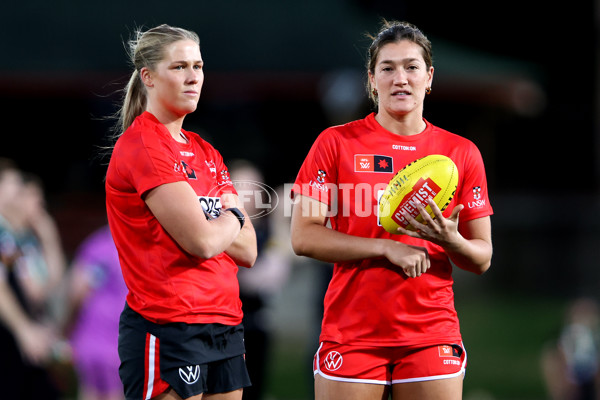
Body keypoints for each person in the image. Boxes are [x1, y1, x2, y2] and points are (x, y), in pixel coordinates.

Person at [290, 20, 493, 400]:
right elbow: (303, 236)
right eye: (388, 68)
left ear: (429, 77)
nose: (400, 78)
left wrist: (451, 240)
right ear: (372, 79)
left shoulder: (461, 153)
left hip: (431, 333)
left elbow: (481, 257)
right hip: (352, 333)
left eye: (411, 67)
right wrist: (385, 247)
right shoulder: (335, 143)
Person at [105, 24, 257, 400]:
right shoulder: (144, 144)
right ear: (149, 77)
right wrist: (234, 216)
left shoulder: (206, 151)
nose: (194, 77)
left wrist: (220, 226)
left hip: (224, 322)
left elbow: (249, 251)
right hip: (170, 325)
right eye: (179, 67)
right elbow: (203, 242)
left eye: (199, 66)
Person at [0, 159, 62, 399]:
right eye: (13, 185)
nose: (19, 192)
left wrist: (48, 236)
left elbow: (44, 288)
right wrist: (23, 328)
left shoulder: (17, 238)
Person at [65, 224, 127, 400]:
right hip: (121, 339)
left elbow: (77, 292)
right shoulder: (137, 244)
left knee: (89, 392)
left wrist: (66, 326)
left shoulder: (97, 245)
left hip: (91, 339)